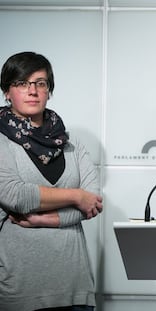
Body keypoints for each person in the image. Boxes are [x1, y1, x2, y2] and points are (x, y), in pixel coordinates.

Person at [0, 52, 103, 311]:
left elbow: (94, 201)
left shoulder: (70, 143)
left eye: (40, 83)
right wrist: (75, 196)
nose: (32, 90)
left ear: (49, 91)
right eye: (22, 83)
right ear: (7, 92)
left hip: (75, 286)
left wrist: (45, 220)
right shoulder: (2, 140)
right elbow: (14, 195)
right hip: (19, 289)